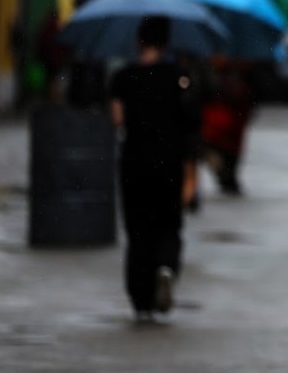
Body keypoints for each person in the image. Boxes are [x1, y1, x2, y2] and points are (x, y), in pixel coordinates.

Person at [108, 16, 192, 324]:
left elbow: (117, 120)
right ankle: (167, 267)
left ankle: (141, 302)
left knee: (138, 232)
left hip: (134, 163)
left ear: (139, 41)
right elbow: (188, 123)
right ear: (166, 42)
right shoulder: (177, 76)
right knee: (169, 226)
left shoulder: (122, 77)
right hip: (170, 162)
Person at [201, 58, 255, 195]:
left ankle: (227, 178)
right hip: (221, 126)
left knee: (226, 159)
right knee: (224, 157)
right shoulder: (215, 75)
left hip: (224, 126)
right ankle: (227, 178)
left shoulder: (234, 78)